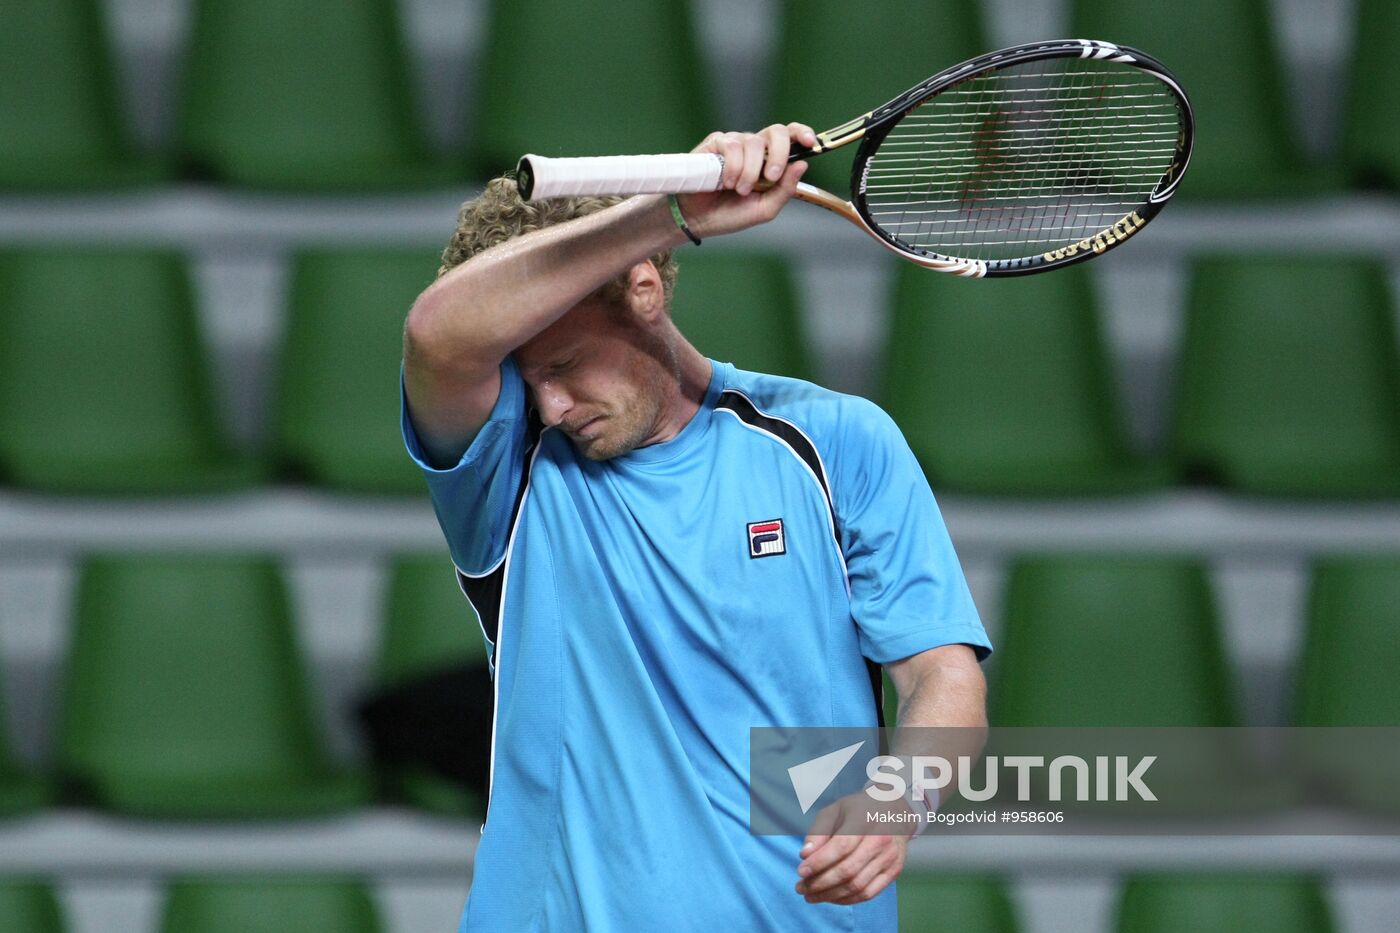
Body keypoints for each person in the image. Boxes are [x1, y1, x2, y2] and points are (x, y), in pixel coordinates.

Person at [401, 122, 991, 932]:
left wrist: (899, 799)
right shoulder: (509, 473)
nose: (551, 405)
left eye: (564, 365)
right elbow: (436, 334)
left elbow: (943, 679)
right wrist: (673, 211)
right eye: (527, 380)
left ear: (643, 288)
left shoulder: (837, 442)